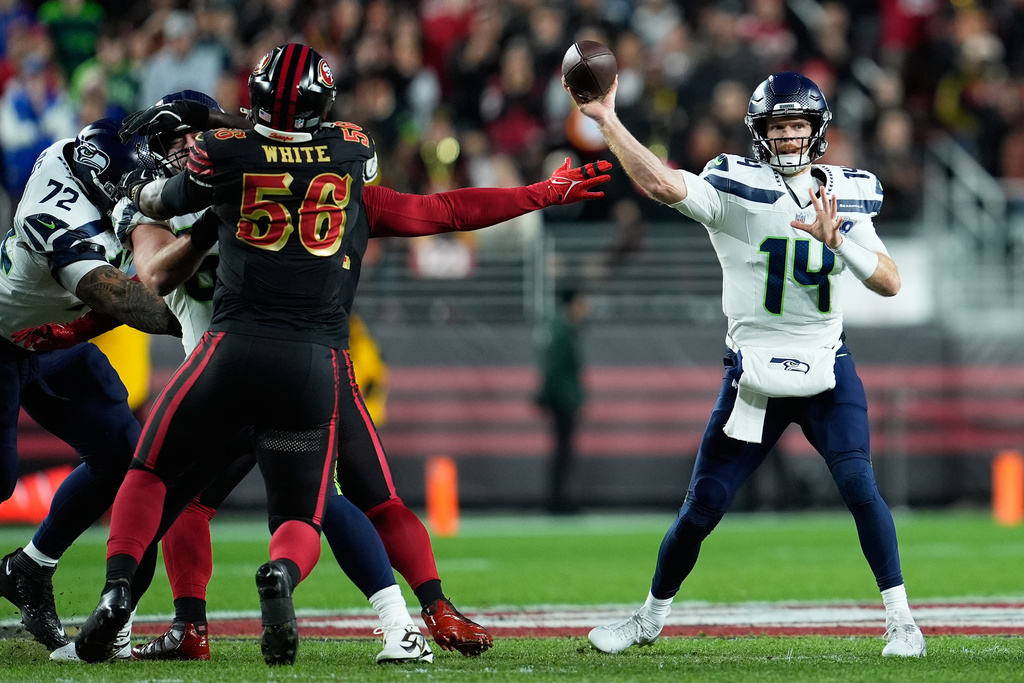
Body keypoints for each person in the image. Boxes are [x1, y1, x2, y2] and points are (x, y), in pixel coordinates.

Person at [70, 43, 610, 666]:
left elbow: (156, 239)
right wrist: (542, 191)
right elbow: (448, 210)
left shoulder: (226, 164)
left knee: (157, 480)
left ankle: (134, 600)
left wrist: (131, 197)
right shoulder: (346, 172)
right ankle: (403, 614)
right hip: (313, 365)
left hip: (223, 357)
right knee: (328, 504)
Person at [572, 71, 926, 658]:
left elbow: (889, 282)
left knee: (860, 484)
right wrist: (609, 121)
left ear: (817, 131)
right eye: (779, 126)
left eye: (798, 126)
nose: (789, 137)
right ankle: (649, 618)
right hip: (753, 374)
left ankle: (902, 622)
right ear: (760, 132)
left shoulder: (843, 193)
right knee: (702, 507)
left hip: (825, 366)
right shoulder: (735, 187)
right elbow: (661, 184)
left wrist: (842, 243)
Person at [0, 117, 181, 651]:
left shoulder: (101, 165)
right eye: (135, 178)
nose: (146, 183)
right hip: (5, 339)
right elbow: (119, 298)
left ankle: (30, 568)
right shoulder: (55, 212)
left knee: (124, 454)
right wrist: (195, 319)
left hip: (50, 341)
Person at [534, 285, 588, 514]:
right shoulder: (562, 329)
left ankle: (558, 497)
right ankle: (557, 500)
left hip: (562, 398)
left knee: (563, 451)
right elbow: (555, 368)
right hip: (562, 400)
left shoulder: (559, 327)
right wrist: (552, 396)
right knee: (562, 452)